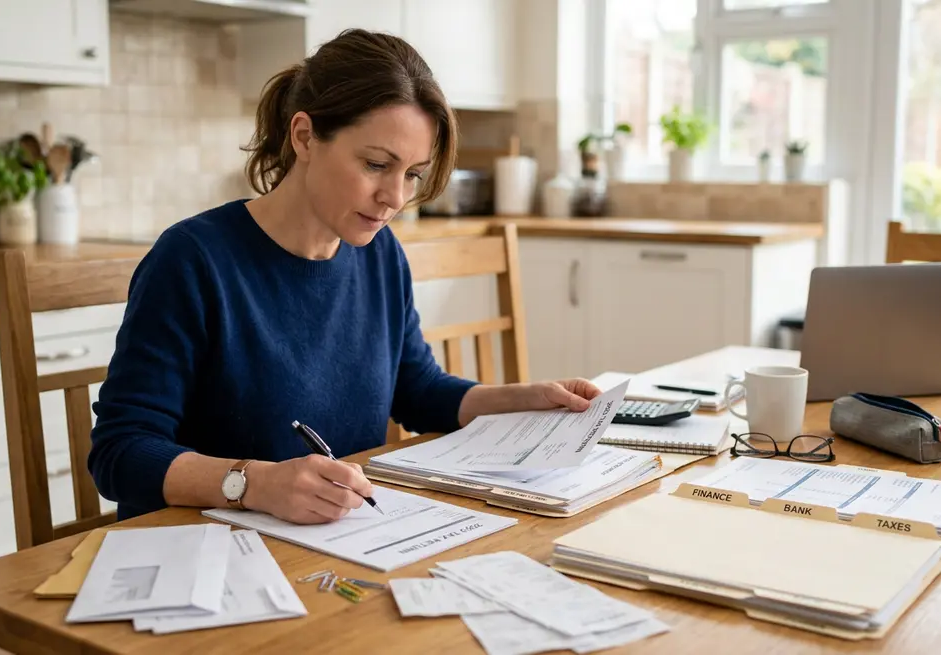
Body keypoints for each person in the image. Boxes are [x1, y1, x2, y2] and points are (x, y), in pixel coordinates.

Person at [88, 28, 602, 524]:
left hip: (333, 543)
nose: (395, 198)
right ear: (305, 136)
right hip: (206, 555)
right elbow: (121, 452)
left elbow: (416, 389)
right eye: (377, 164)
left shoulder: (379, 253)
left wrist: (520, 400)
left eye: (412, 174)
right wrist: (253, 484)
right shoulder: (193, 259)